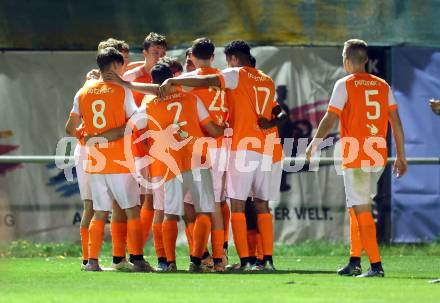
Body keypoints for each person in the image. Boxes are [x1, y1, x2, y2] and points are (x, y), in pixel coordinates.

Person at [157, 40, 287, 271]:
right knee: (260, 204)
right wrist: (271, 122)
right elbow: (280, 112)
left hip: (232, 145)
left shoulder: (234, 74)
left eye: (228, 61)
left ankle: (234, 260)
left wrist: (174, 79)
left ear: (234, 59)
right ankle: (264, 260)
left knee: (229, 205)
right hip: (267, 147)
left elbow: (206, 81)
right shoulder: (267, 80)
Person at [306, 39, 407, 277]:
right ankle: (354, 260)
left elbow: (330, 119)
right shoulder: (382, 85)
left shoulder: (345, 84)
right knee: (356, 205)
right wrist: (401, 155)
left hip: (357, 152)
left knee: (360, 207)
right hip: (378, 153)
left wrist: (314, 143)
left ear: (348, 61)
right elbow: (396, 122)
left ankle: (376, 265)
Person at [65, 47, 152, 272]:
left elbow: (70, 128)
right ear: (114, 66)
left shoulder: (82, 92)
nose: (124, 68)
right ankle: (137, 259)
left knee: (100, 212)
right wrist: (114, 133)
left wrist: (90, 136)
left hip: (95, 161)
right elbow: (136, 123)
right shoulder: (121, 91)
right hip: (120, 160)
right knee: (132, 209)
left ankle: (91, 262)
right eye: (122, 64)